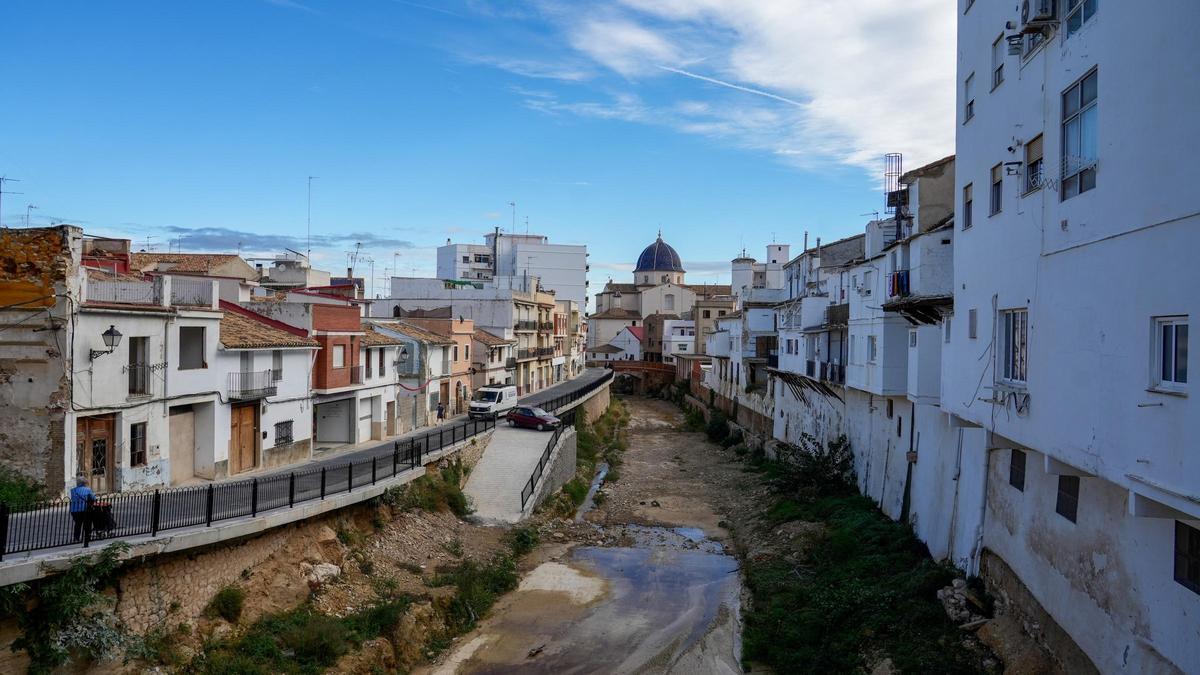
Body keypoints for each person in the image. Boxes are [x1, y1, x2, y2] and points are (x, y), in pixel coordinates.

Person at [69, 475, 95, 541]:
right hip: (85, 509)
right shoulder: (88, 490)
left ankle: (76, 537)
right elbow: (93, 498)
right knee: (87, 524)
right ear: (85, 483)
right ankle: (87, 537)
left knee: (78, 524)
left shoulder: (73, 490)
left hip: (74, 510)